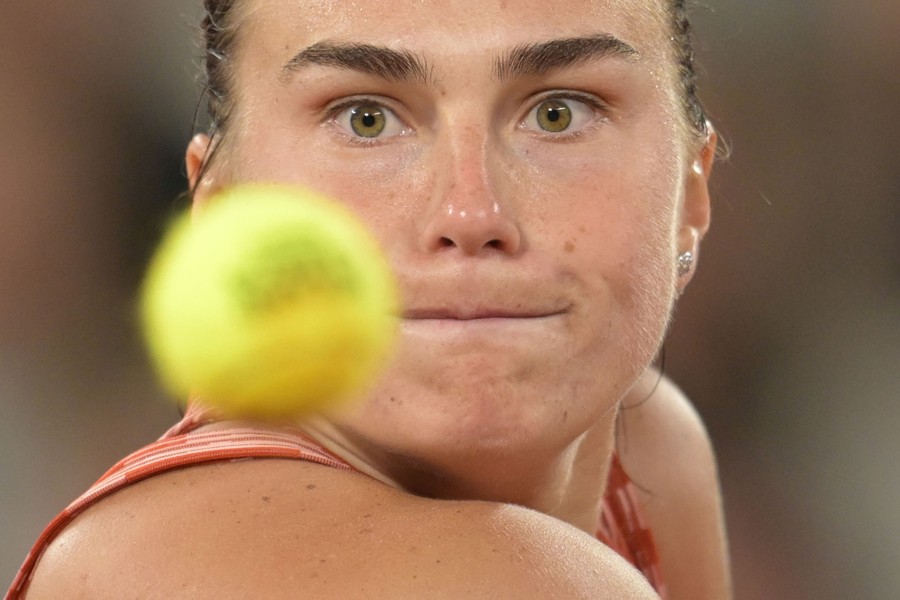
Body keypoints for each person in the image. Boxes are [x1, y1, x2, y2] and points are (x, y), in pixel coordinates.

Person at [9, 0, 731, 597]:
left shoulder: (654, 453)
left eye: (558, 113)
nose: (471, 216)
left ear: (691, 194)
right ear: (222, 207)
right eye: (367, 118)